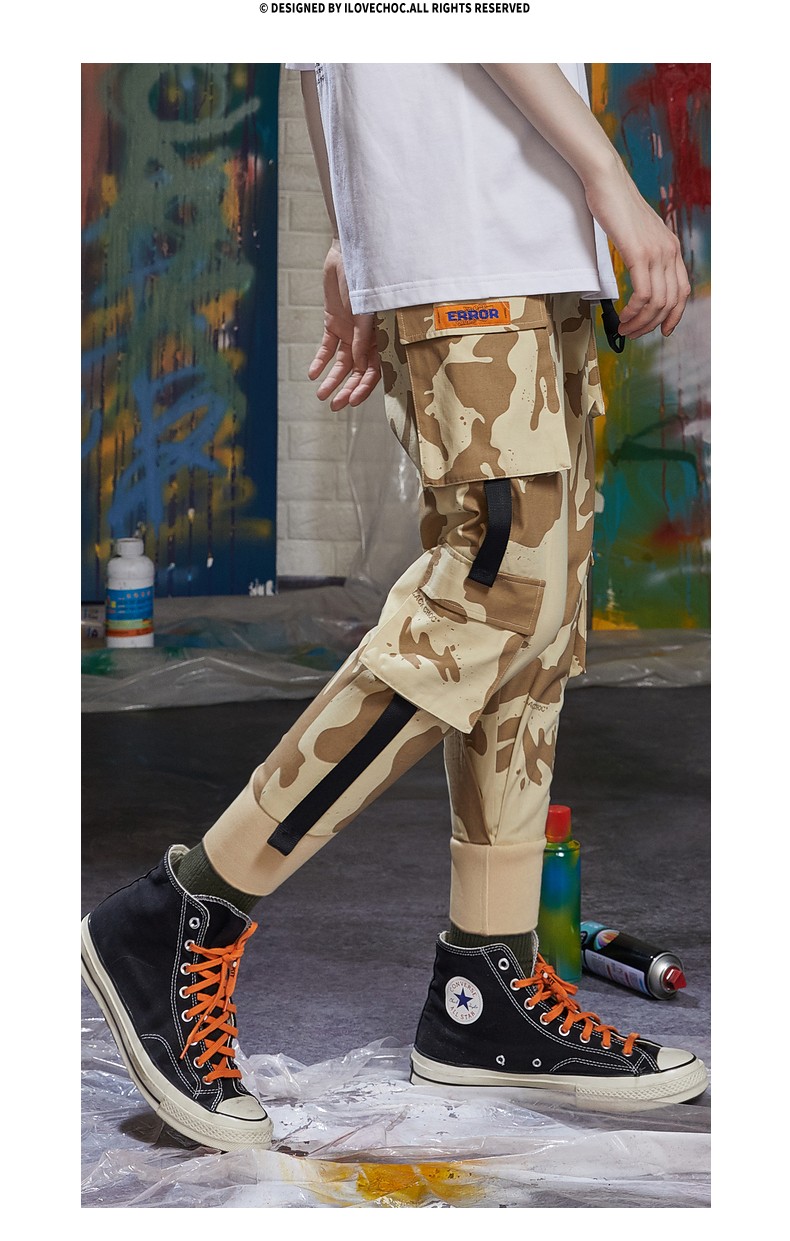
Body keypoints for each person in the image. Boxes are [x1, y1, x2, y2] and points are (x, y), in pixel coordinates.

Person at [81, 63, 706, 1153]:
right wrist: (607, 171)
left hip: (529, 237)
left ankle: (487, 983)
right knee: (492, 587)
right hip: (472, 233)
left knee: (539, 620)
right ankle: (179, 909)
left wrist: (348, 233)